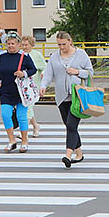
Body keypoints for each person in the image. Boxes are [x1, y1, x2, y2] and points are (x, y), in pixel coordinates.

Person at [39, 31, 94, 168]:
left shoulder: (81, 54)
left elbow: (90, 73)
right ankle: (79, 153)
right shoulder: (54, 57)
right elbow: (48, 73)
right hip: (62, 97)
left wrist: (77, 72)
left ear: (70, 41)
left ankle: (68, 155)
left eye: (64, 44)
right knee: (70, 126)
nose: (61, 47)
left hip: (78, 96)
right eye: (59, 44)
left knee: (71, 125)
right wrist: (43, 86)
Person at [0, 32, 37, 153]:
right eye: (8, 44)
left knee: (21, 117)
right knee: (5, 114)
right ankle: (11, 140)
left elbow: (33, 69)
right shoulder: (2, 55)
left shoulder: (24, 56)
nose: (10, 46)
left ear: (18, 44)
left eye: (13, 44)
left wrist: (23, 73)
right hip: (5, 90)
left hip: (21, 91)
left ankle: (24, 141)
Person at [22, 35, 47, 138]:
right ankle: (36, 126)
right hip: (23, 86)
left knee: (28, 107)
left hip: (34, 86)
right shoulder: (20, 55)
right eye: (22, 45)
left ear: (31, 45)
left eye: (26, 45)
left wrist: (43, 73)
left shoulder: (36, 55)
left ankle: (24, 132)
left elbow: (45, 67)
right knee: (27, 106)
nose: (24, 47)